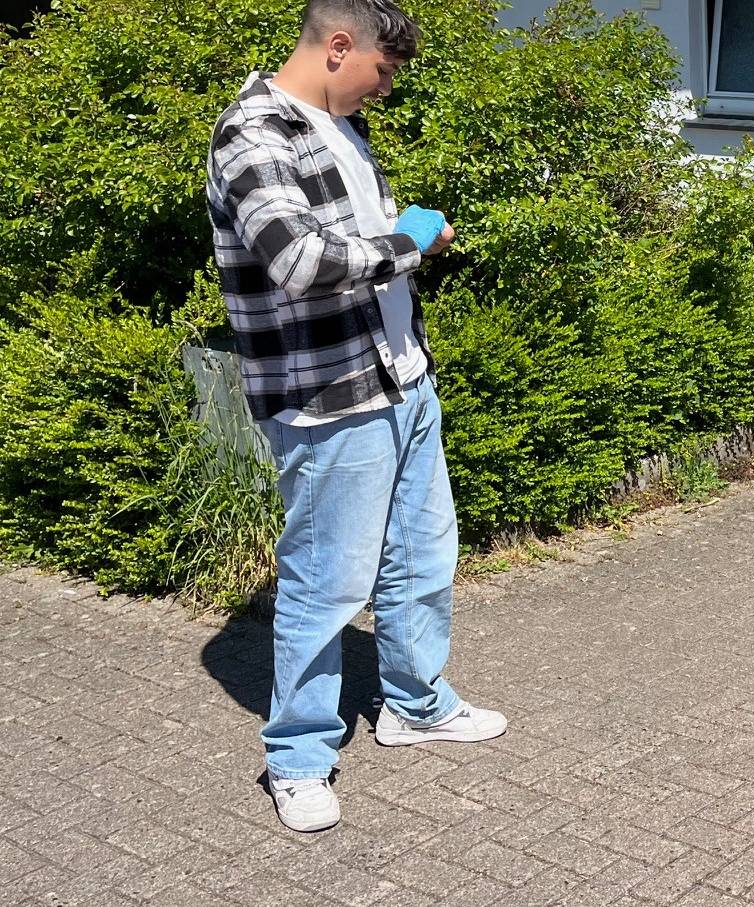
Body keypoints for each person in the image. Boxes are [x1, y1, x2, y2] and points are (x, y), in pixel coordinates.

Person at [206, 0, 507, 833]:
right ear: (340, 47)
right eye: (381, 72)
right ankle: (297, 756)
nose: (383, 91)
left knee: (422, 553)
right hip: (326, 396)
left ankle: (414, 703)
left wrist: (402, 234)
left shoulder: (338, 126)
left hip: (402, 379)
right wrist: (414, 243)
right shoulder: (253, 135)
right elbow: (300, 261)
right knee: (324, 579)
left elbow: (355, 247)